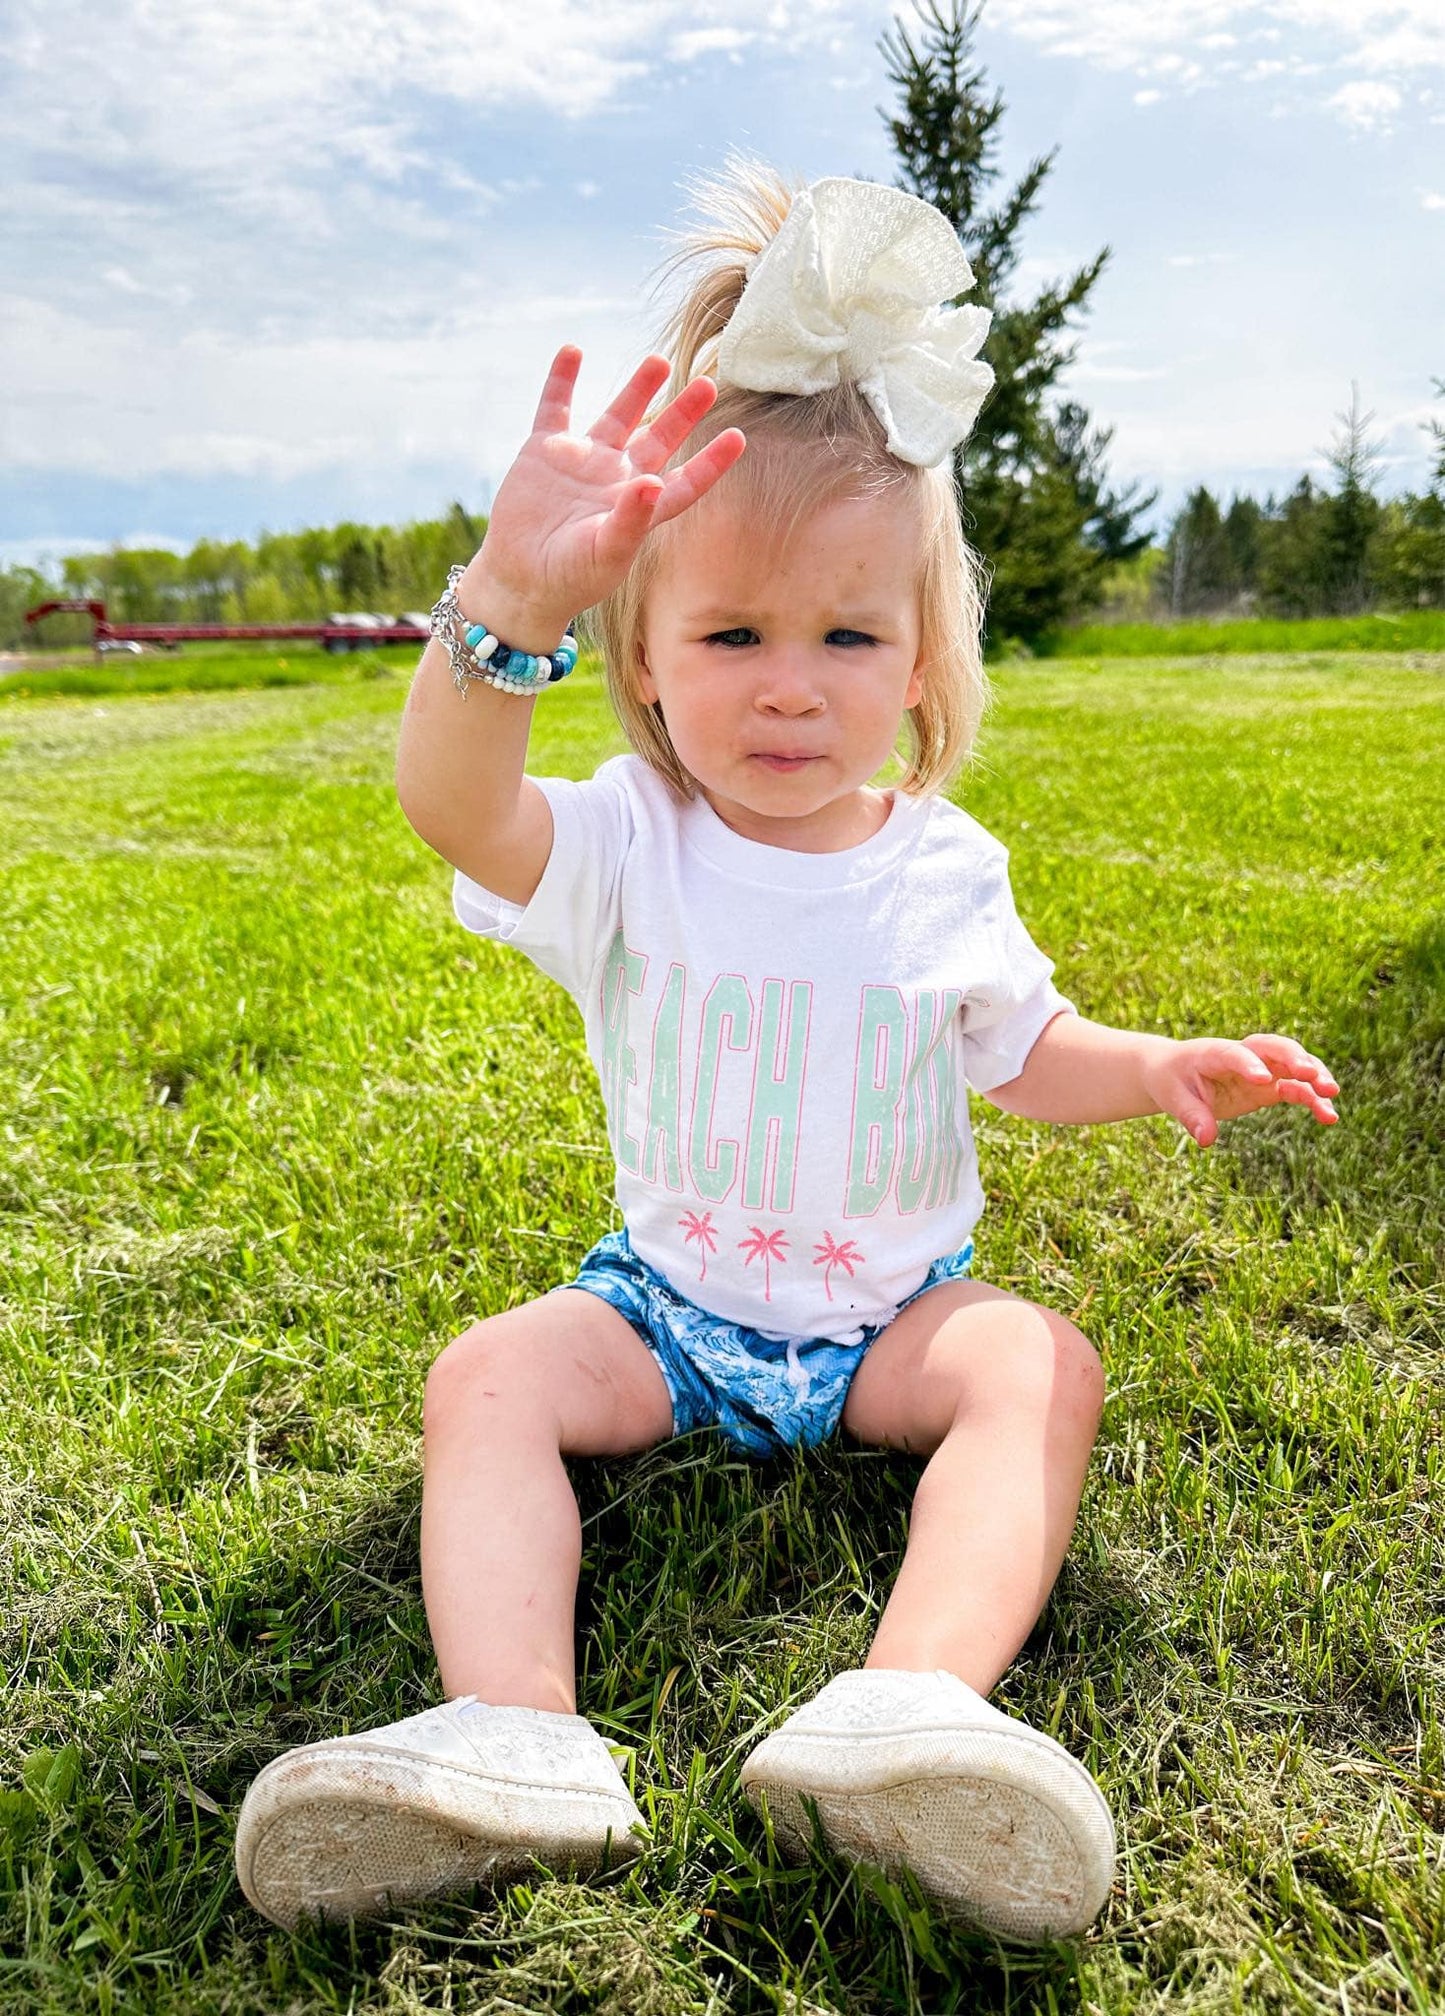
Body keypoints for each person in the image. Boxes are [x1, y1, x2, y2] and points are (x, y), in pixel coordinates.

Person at [234, 161, 1339, 1941]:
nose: (787, 683)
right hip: (667, 1312)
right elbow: (452, 802)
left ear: (918, 665)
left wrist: (1145, 1067)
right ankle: (515, 1735)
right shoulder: (618, 841)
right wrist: (505, 599)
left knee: (1035, 1368)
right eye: (731, 634)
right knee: (488, 1379)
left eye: (846, 635)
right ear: (649, 664)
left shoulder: (939, 870)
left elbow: (1021, 1046)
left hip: (890, 1316)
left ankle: (908, 1715)